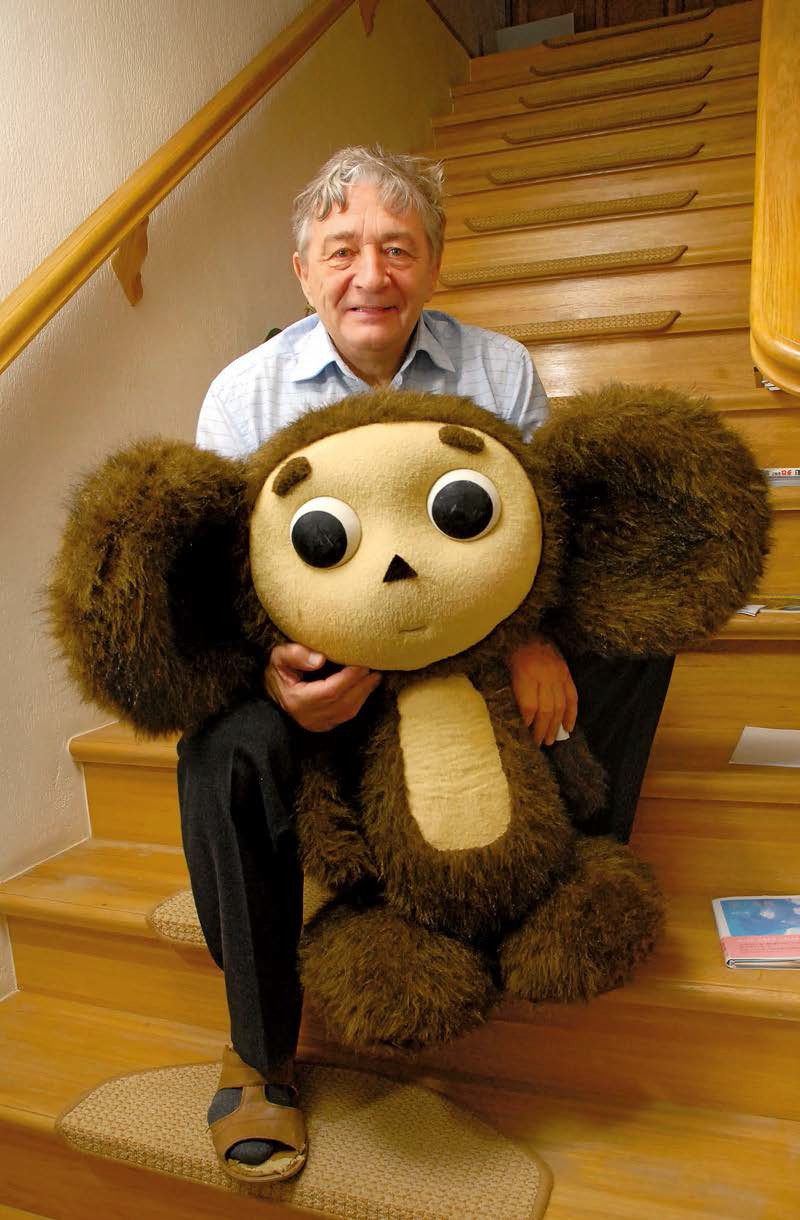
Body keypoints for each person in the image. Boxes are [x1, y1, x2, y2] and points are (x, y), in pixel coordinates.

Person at [184, 146, 672, 1184]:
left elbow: (544, 529)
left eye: (398, 249)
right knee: (222, 743)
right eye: (342, 250)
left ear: (434, 265)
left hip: (478, 658)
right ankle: (259, 1052)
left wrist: (532, 634)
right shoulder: (243, 395)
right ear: (302, 271)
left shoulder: (497, 369)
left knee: (639, 630)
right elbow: (230, 578)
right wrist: (277, 670)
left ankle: (556, 881)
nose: (372, 275)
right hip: (341, 675)